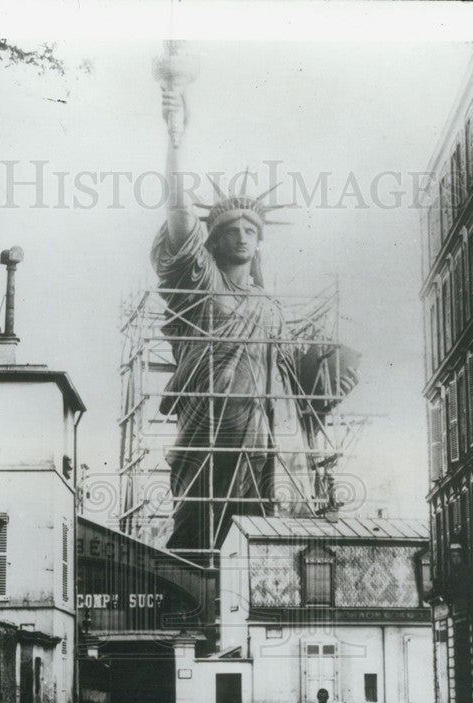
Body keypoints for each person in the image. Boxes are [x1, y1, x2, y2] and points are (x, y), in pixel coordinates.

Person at [152, 87, 358, 554]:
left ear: (259, 242)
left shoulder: (269, 305)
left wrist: (330, 377)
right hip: (210, 415)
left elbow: (290, 377)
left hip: (261, 421)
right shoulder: (202, 281)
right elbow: (179, 215)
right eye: (231, 232)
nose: (242, 238)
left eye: (250, 231)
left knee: (256, 521)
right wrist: (176, 139)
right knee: (198, 512)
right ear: (215, 240)